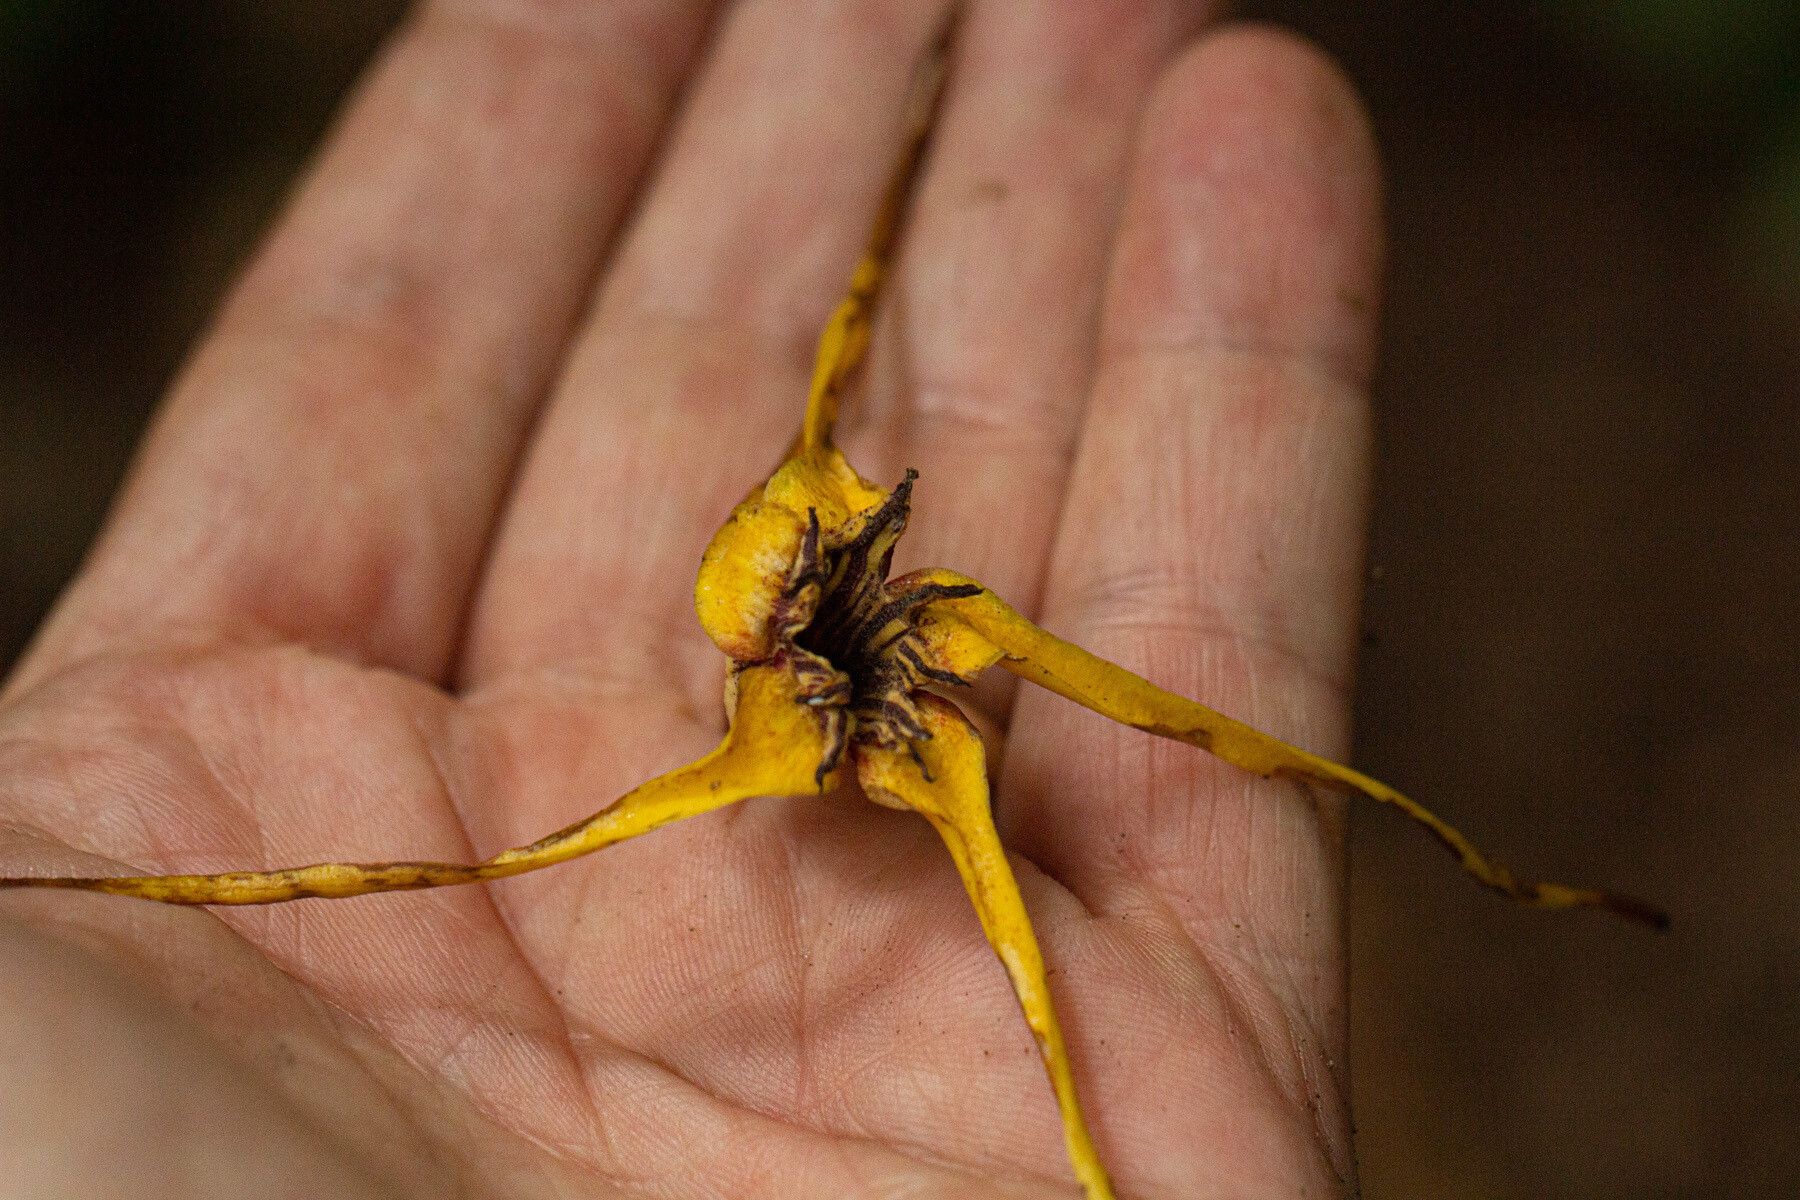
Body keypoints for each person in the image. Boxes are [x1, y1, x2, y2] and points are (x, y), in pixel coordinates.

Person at [0, 4, 1382, 1195]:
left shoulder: (917, 649)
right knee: (556, 845)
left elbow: (1143, 704)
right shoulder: (820, 650)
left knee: (1111, 809)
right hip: (807, 683)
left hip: (845, 681)